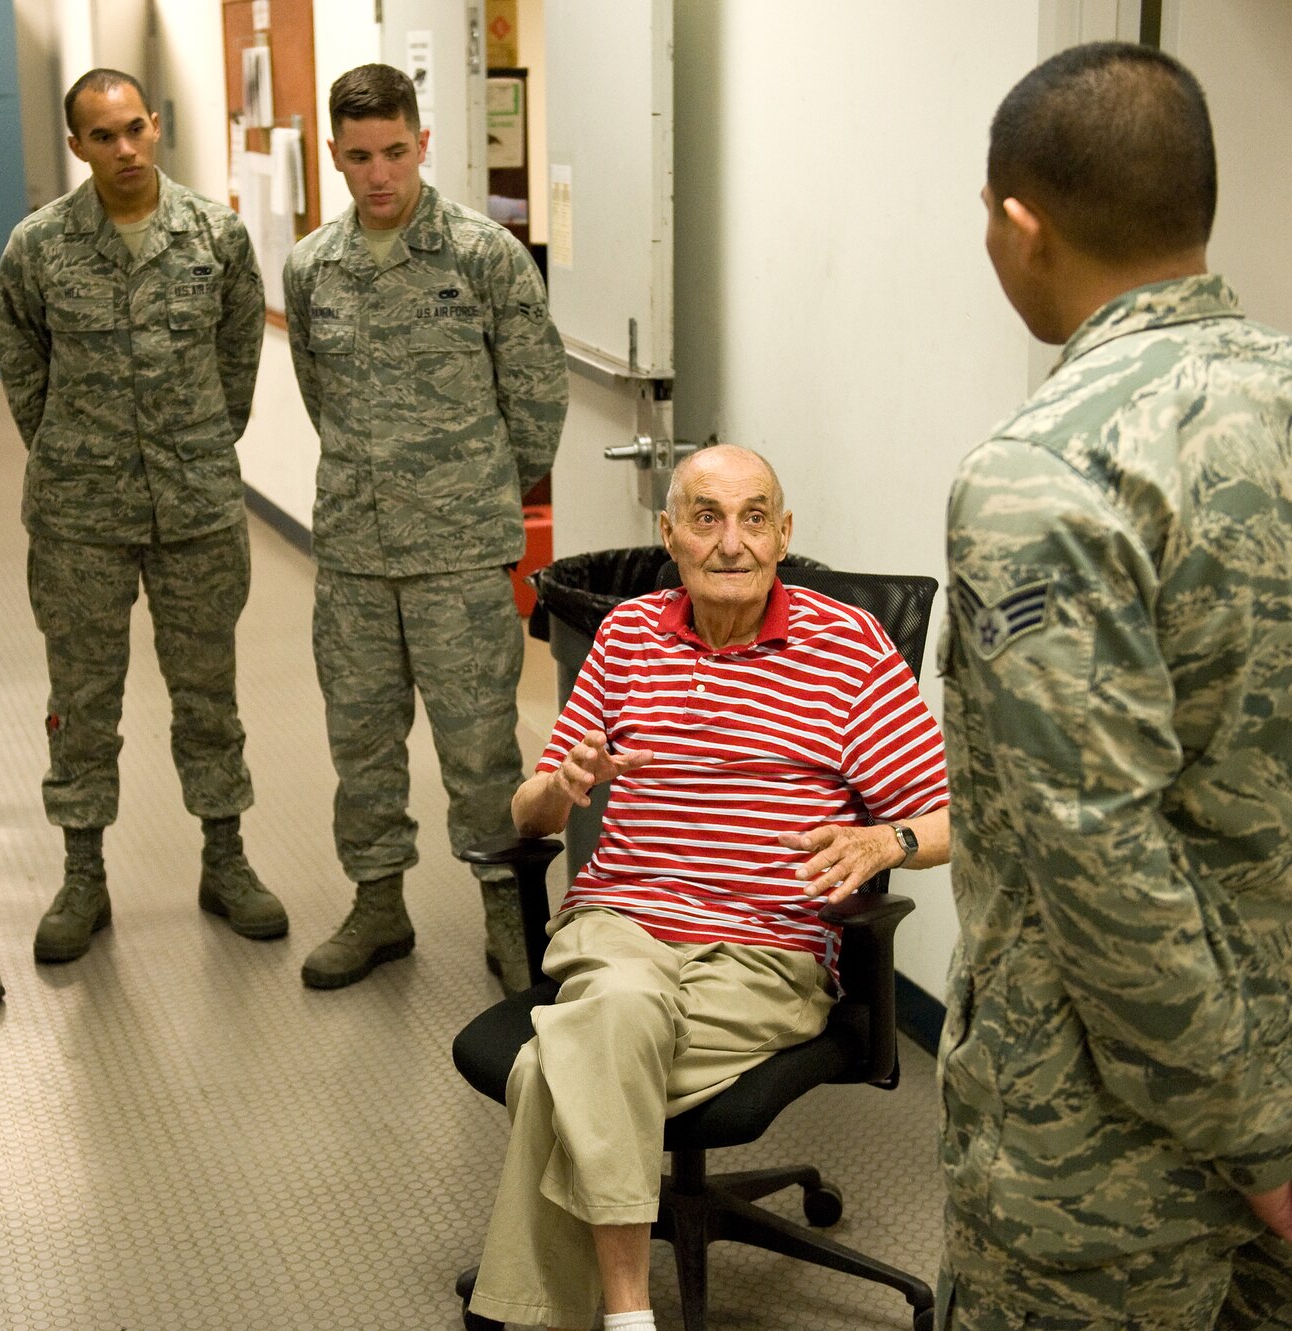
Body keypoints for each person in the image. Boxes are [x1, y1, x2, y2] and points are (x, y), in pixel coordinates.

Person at [941, 42, 1292, 1330]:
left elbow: (1100, 856)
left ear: (1022, 227)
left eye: (986, 215)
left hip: (1101, 1156)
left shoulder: (1044, 472)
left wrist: (1255, 1146)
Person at [467, 444, 952, 1331]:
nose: (732, 542)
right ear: (670, 536)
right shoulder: (625, 636)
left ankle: (585, 1309)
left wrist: (886, 838)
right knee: (618, 1001)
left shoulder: (848, 649)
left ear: (784, 534)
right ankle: (627, 1312)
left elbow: (949, 818)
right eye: (706, 517)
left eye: (754, 517)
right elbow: (529, 813)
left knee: (560, 1058)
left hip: (765, 953)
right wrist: (560, 784)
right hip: (621, 922)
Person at [282, 62, 569, 992]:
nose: (379, 174)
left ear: (423, 142)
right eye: (359, 156)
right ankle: (377, 905)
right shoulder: (311, 267)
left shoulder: (482, 256)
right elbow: (322, 400)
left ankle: (507, 914)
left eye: (396, 152)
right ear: (334, 153)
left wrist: (467, 493)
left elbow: (536, 403)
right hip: (356, 559)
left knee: (481, 745)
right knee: (360, 741)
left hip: (458, 556)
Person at [0, 69, 278, 964]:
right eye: (102, 136)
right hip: (81, 512)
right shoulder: (38, 247)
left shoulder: (216, 236)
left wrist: (195, 444)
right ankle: (83, 875)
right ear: (76, 145)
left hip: (195, 505)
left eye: (134, 130)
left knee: (208, 694)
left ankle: (225, 858)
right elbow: (21, 365)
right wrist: (77, 447)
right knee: (82, 701)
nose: (123, 150)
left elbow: (238, 361)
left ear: (156, 127)